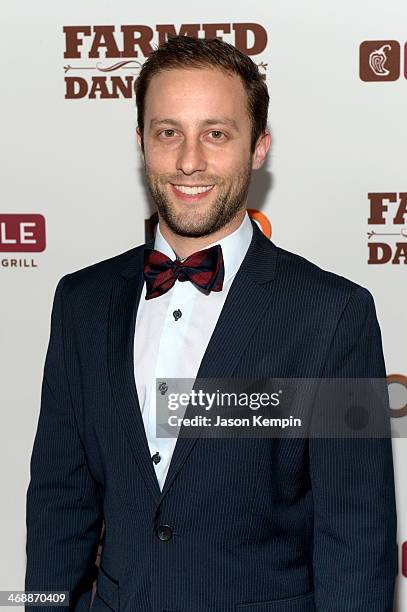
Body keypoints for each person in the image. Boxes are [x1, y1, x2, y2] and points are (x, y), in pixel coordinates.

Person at [25, 36, 397, 612]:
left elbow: (356, 535)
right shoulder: (81, 302)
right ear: (142, 143)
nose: (189, 160)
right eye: (167, 131)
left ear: (258, 148)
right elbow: (58, 505)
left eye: (216, 134)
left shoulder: (334, 314)